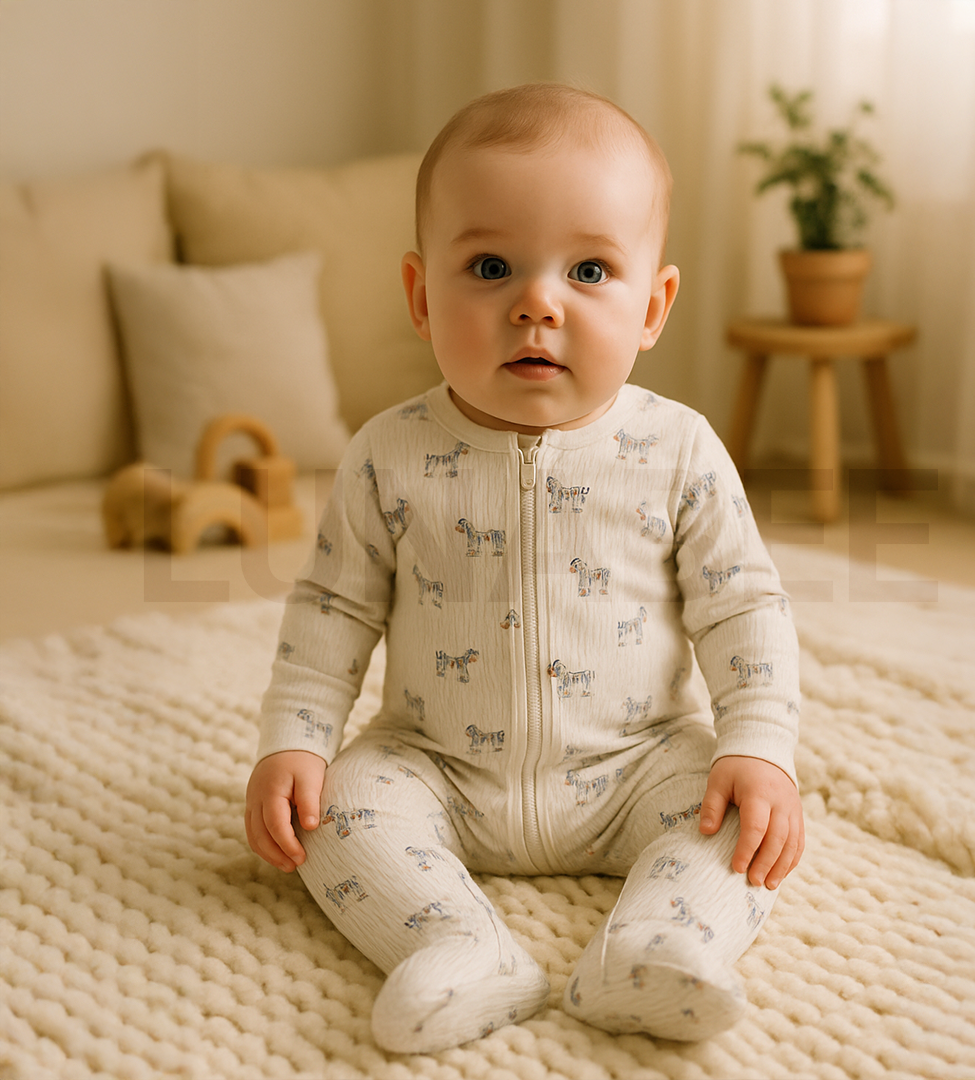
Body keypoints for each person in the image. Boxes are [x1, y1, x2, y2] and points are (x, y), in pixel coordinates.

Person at [246, 82, 803, 1055]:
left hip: (635, 764)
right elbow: (332, 606)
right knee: (331, 809)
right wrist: (293, 740)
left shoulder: (679, 449)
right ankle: (464, 946)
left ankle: (659, 944)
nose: (538, 302)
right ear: (422, 297)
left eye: (589, 269)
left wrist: (758, 747)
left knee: (740, 822)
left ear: (653, 307)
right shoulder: (389, 454)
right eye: (492, 265)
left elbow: (743, 605)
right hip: (438, 763)